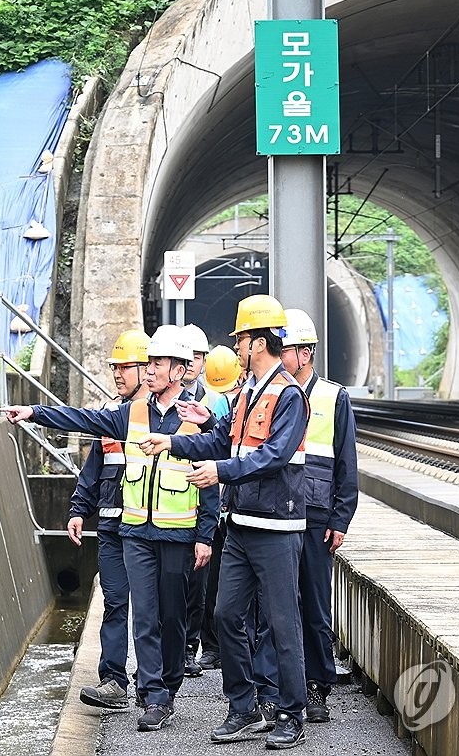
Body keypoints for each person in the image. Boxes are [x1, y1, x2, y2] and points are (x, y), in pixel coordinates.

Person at [1, 325, 218, 733]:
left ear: (177, 371)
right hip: (136, 531)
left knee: (173, 618)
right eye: (148, 362)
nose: (149, 370)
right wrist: (34, 413)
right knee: (146, 617)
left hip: (177, 535)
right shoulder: (131, 413)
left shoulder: (196, 418)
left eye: (157, 363)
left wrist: (205, 534)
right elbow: (85, 419)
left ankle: (167, 685)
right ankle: (154, 695)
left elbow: (211, 478)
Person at [139, 295, 310, 750]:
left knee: (281, 621)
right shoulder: (248, 393)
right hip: (241, 525)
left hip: (277, 527)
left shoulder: (288, 394)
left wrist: (220, 472)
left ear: (257, 342)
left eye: (240, 338)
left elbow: (272, 457)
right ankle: (244, 707)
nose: (235, 345)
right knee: (226, 615)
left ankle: (291, 713)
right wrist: (171, 441)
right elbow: (220, 442)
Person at [279, 309, 358, 723]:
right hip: (279, 512)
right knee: (278, 603)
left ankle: (317, 686)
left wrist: (340, 519)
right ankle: (281, 685)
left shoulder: (333, 397)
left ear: (305, 353)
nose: (279, 355)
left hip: (315, 515)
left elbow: (347, 464)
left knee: (314, 603)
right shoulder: (271, 393)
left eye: (285, 349)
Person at [68, 329, 149, 711]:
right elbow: (94, 468)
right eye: (115, 368)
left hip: (148, 529)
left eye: (125, 367)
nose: (118, 374)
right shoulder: (110, 413)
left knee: (154, 610)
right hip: (112, 527)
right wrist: (79, 509)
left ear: (146, 368)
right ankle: (114, 681)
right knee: (116, 603)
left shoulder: (157, 415)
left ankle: (155, 688)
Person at [192, 346, 242, 674]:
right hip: (220, 503)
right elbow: (217, 438)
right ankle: (211, 647)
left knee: (232, 595)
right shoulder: (211, 400)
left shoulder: (260, 397)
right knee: (213, 587)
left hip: (240, 505)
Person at [179, 322, 215, 677]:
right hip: (169, 511)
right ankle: (176, 650)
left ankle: (190, 647)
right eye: (186, 356)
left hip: (202, 503)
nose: (191, 362)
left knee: (198, 586)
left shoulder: (213, 400)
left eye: (197, 356)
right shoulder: (160, 399)